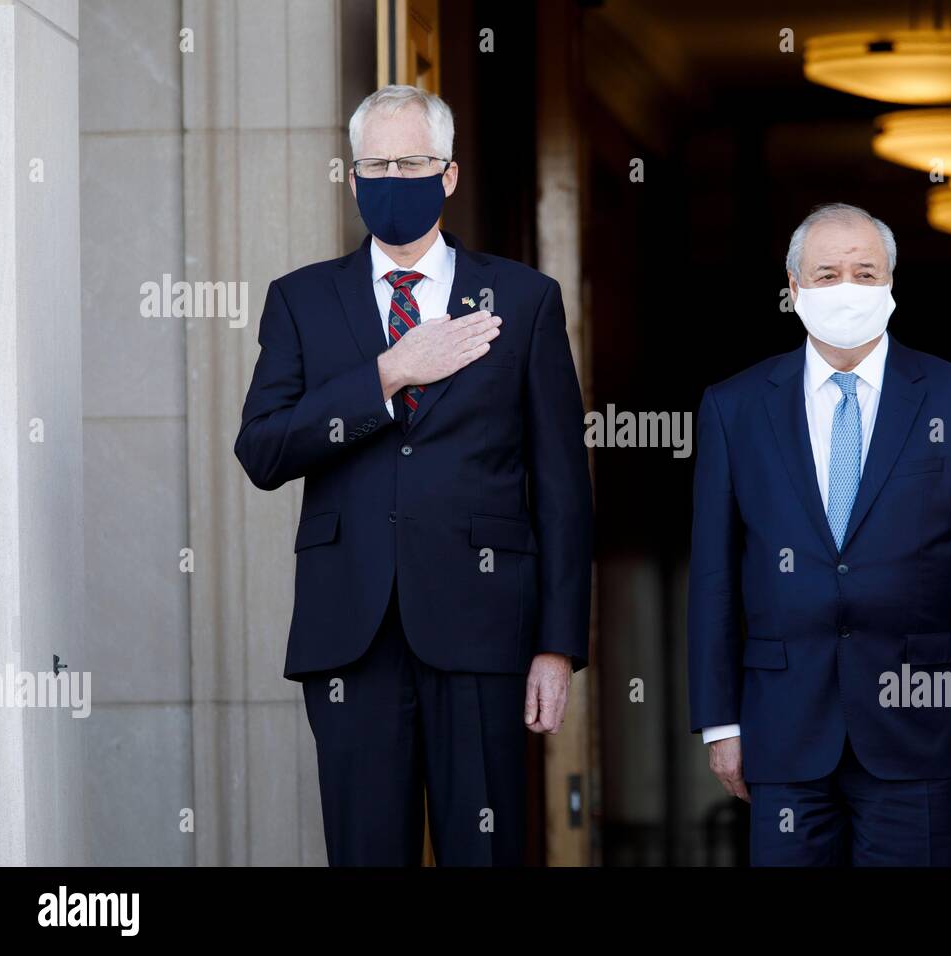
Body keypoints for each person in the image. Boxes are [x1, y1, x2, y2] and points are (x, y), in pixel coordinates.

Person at [234, 85, 592, 866]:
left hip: (485, 630)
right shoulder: (301, 301)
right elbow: (262, 450)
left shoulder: (525, 300)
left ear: (450, 175)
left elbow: (562, 487)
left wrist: (556, 647)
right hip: (350, 636)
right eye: (377, 165)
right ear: (354, 178)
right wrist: (388, 373)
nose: (394, 177)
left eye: (413, 162)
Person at [687, 203, 951, 866]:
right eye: (827, 273)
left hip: (918, 725)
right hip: (781, 725)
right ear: (793, 285)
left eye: (865, 273)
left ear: (892, 280)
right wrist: (720, 721)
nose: (846, 288)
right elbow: (715, 574)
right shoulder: (735, 406)